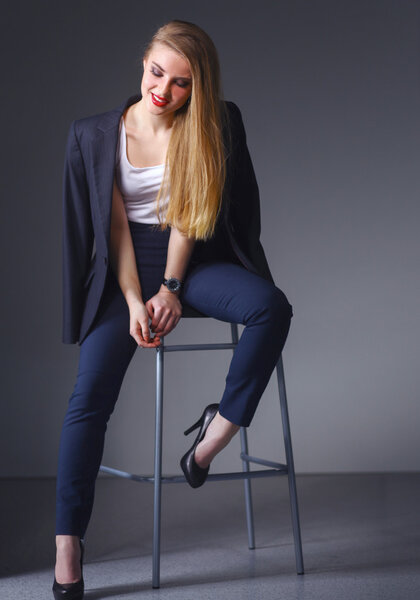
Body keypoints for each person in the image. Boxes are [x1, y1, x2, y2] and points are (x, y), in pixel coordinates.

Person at [53, 19, 293, 599]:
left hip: (192, 256)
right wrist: (139, 299)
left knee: (271, 307)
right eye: (157, 72)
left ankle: (214, 434)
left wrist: (172, 288)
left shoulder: (212, 121)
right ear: (142, 64)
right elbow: (113, 234)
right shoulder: (94, 134)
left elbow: (190, 212)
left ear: (198, 88)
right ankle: (67, 542)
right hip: (125, 270)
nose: (163, 90)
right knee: (88, 402)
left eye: (182, 83)